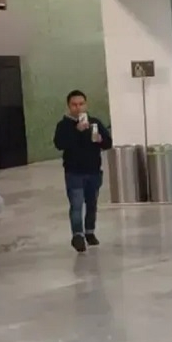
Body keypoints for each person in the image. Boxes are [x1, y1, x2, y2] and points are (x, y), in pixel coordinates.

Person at [53, 90, 113, 253]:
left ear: (86, 104)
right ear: (69, 106)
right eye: (74, 105)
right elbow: (59, 144)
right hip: (74, 172)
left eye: (81, 104)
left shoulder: (94, 122)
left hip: (93, 170)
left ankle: (90, 232)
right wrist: (76, 131)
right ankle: (77, 235)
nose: (78, 108)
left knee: (92, 204)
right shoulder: (64, 125)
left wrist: (101, 139)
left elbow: (108, 143)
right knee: (77, 204)